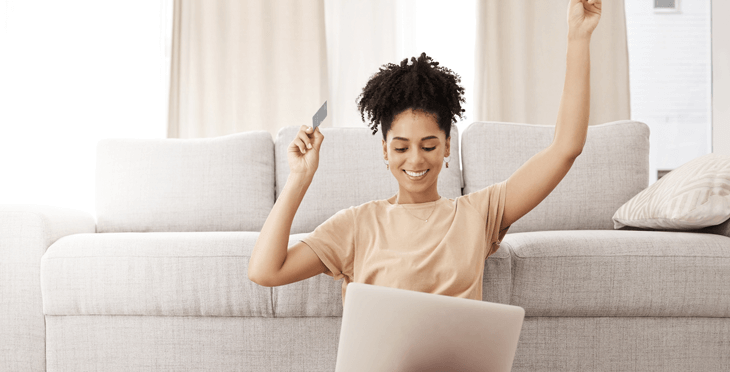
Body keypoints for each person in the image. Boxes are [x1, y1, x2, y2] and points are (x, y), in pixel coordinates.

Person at [248, 0, 602, 306]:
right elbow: (265, 271)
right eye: (401, 147)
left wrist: (578, 37)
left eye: (429, 145)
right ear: (384, 151)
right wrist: (298, 178)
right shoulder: (355, 225)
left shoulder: (479, 213)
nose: (415, 160)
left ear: (448, 146)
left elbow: (566, 148)